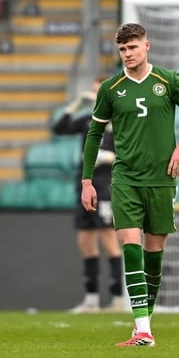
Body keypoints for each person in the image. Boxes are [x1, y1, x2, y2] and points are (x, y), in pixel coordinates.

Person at [81, 23, 179, 347]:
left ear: (146, 46)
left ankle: (143, 327)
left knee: (154, 253)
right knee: (129, 244)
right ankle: (143, 330)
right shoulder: (111, 88)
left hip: (162, 180)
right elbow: (95, 134)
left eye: (132, 48)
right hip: (125, 178)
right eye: (123, 50)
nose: (127, 54)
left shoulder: (168, 81)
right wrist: (87, 181)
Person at [52, 76, 127, 314]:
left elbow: (132, 153)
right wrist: (75, 105)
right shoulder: (87, 120)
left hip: (105, 186)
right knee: (85, 240)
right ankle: (91, 300)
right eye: (94, 93)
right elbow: (59, 128)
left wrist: (108, 157)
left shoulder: (121, 120)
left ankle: (117, 299)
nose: (96, 98)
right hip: (84, 184)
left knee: (108, 237)